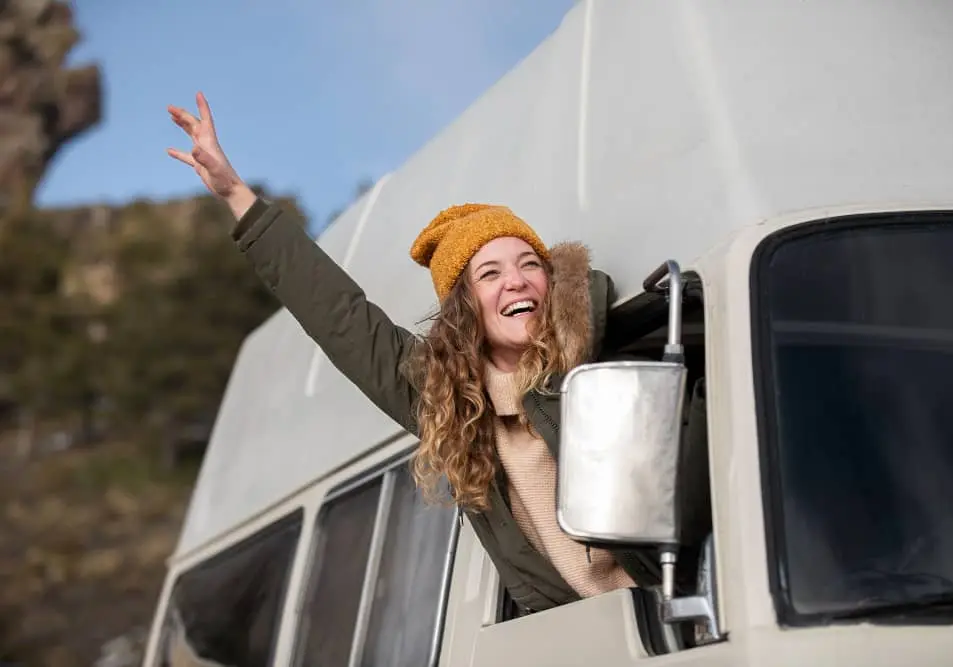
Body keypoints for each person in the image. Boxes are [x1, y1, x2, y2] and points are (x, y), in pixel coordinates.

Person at [166, 92, 709, 614]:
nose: (516, 283)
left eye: (529, 264)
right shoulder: (445, 399)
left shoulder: (596, 363)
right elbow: (339, 317)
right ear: (466, 308)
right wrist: (237, 193)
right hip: (577, 639)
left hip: (672, 618)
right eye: (490, 274)